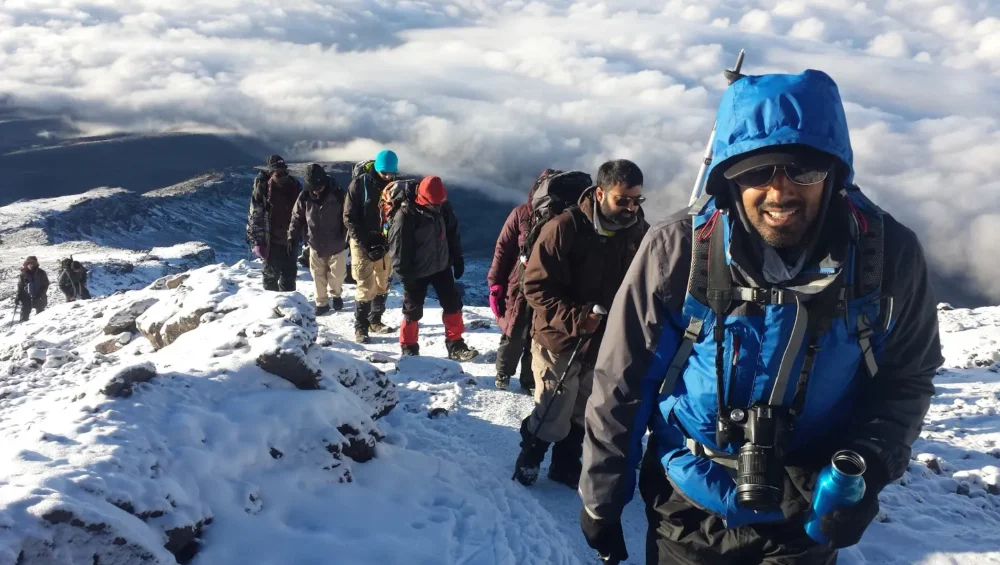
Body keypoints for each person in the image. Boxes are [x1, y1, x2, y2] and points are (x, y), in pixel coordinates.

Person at [578, 70, 944, 565]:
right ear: (727, 178)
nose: (779, 192)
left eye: (803, 171)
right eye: (755, 172)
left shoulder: (886, 256)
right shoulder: (679, 250)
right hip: (688, 505)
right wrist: (602, 500)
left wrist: (868, 465)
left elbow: (906, 375)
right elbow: (623, 381)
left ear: (835, 175)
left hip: (810, 506)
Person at [512, 159, 649, 489]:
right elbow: (534, 286)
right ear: (600, 194)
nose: (631, 208)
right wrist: (577, 318)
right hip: (557, 338)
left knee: (583, 408)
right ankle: (530, 455)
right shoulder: (563, 228)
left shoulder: (638, 232)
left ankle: (564, 463)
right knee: (554, 409)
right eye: (623, 200)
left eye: (637, 200)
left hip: (603, 340)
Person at [388, 176, 479, 361]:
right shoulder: (405, 216)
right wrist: (406, 279)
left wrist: (457, 258)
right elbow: (398, 252)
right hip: (416, 272)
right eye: (434, 204)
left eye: (440, 202)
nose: (437, 207)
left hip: (441, 266)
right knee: (412, 311)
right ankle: (409, 347)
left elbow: (452, 234)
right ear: (423, 198)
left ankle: (456, 345)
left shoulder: (442, 207)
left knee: (453, 304)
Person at [487, 172, 553, 394]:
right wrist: (495, 283)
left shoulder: (563, 219)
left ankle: (530, 378)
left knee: (537, 335)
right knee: (514, 330)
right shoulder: (521, 214)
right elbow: (503, 249)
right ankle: (503, 372)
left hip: (548, 287)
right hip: (520, 285)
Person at [345, 150, 397, 343]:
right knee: (366, 285)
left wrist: (387, 243)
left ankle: (375, 320)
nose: (388, 176)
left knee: (383, 282)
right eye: (384, 173)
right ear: (377, 169)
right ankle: (361, 327)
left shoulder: (395, 187)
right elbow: (349, 218)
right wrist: (366, 244)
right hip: (362, 241)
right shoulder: (360, 184)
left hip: (384, 242)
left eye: (391, 173)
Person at [289, 164, 349, 315]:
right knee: (317, 275)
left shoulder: (338, 194)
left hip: (337, 243)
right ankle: (321, 303)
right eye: (312, 188)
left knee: (337, 276)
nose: (315, 190)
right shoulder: (304, 196)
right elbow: (296, 218)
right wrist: (292, 237)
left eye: (318, 187)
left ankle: (336, 294)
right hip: (315, 242)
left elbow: (347, 216)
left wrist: (348, 236)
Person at [248, 154, 302, 292]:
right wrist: (257, 240)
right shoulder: (264, 188)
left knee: (285, 276)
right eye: (278, 171)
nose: (280, 174)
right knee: (276, 276)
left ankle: (286, 307)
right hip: (274, 240)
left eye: (282, 171)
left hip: (289, 239)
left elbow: (255, 214)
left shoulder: (294, 185)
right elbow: (256, 215)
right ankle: (279, 307)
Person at [15, 256, 49, 322]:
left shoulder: (41, 273)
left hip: (39, 296)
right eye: (30, 263)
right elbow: (20, 286)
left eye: (33, 263)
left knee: (41, 317)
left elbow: (45, 285)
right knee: (24, 317)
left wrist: (40, 294)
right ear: (27, 263)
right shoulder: (23, 274)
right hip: (26, 297)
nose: (32, 264)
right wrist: (18, 296)